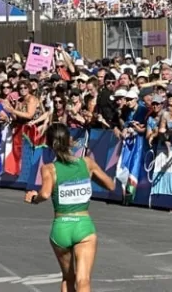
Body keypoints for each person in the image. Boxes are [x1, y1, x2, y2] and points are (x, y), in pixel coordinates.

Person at [24, 123, 115, 292]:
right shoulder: (86, 163)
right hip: (83, 225)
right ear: (70, 140)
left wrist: (34, 198)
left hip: (61, 227)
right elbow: (110, 185)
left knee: (68, 278)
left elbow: (45, 194)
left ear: (49, 145)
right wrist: (89, 177)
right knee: (83, 280)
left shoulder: (49, 169)